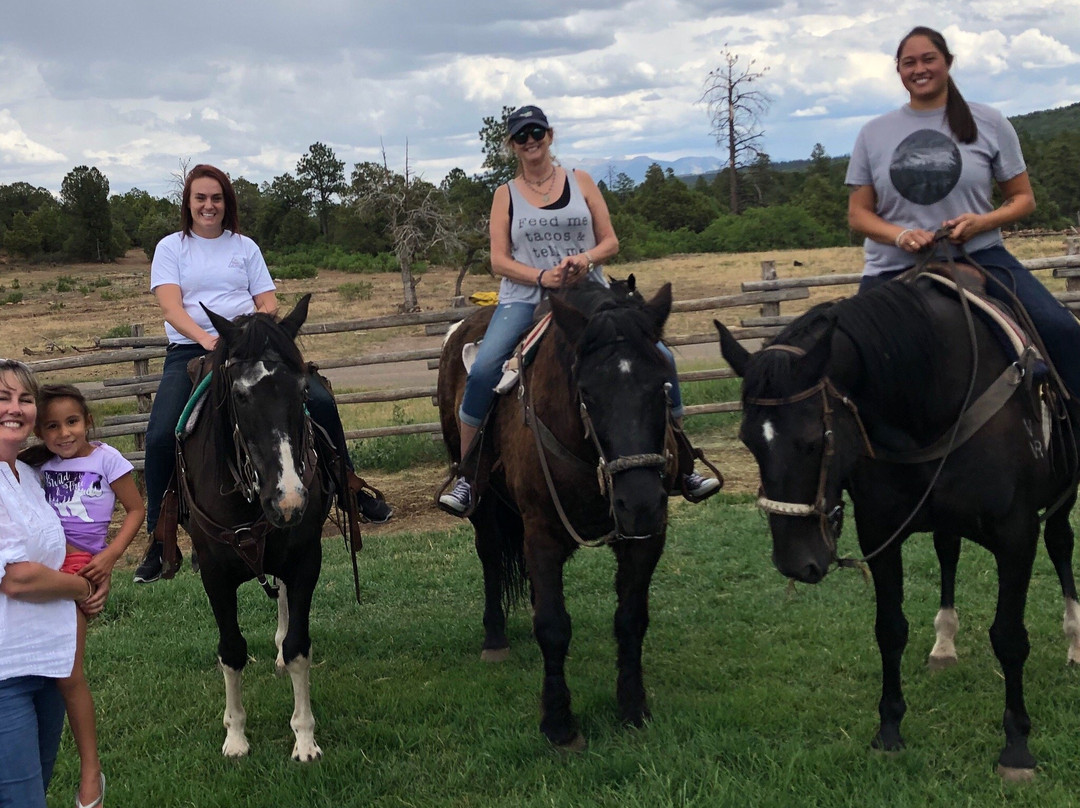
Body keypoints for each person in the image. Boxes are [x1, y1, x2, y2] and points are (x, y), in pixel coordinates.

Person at [439, 105, 720, 514]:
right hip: (525, 296)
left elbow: (610, 242)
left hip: (589, 292)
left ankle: (683, 463)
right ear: (512, 145)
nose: (531, 140)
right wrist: (540, 278)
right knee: (483, 371)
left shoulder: (581, 181)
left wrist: (586, 260)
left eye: (537, 131)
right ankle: (468, 476)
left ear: (550, 136)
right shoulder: (506, 195)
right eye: (522, 135)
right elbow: (498, 260)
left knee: (659, 357)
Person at [134, 164, 391, 585]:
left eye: (216, 198)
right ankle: (159, 538)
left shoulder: (245, 247)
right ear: (188, 202)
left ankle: (349, 487)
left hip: (251, 347)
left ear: (226, 202)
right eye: (200, 198)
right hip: (192, 348)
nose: (208, 205)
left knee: (320, 401)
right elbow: (171, 308)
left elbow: (268, 303)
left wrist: (253, 336)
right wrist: (210, 340)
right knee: (163, 432)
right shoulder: (171, 248)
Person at [846, 26, 1080, 397]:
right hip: (892, 265)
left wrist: (981, 223)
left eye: (928, 59)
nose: (919, 69)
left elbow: (1023, 198)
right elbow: (859, 214)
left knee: (1063, 332)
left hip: (981, 256)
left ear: (948, 63)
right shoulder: (874, 133)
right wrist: (901, 235)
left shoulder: (989, 122)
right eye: (909, 63)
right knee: (850, 359)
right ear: (899, 70)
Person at [26, 385, 143, 808]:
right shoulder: (38, 469)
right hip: (44, 558)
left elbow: (135, 508)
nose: (63, 433)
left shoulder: (107, 459)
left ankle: (90, 770)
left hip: (82, 565)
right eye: (52, 426)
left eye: (72, 422)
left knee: (68, 672)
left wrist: (110, 557)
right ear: (40, 431)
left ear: (87, 421)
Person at [0, 360, 107, 808]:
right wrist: (81, 590)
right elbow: (17, 578)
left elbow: (58, 553)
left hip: (48, 664)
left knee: (33, 791)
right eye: (3, 397)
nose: (16, 408)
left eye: (25, 398)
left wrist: (96, 572)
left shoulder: (28, 476)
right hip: (5, 672)